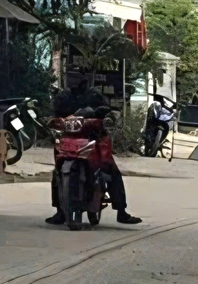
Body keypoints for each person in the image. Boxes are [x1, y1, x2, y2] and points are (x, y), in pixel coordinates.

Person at [46, 74, 142, 225]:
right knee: (57, 173)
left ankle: (121, 211)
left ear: (83, 79)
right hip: (69, 141)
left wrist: (106, 116)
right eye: (72, 75)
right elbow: (54, 115)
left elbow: (106, 112)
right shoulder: (63, 96)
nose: (74, 80)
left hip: (92, 138)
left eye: (76, 76)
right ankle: (59, 211)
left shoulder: (94, 94)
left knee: (111, 169)